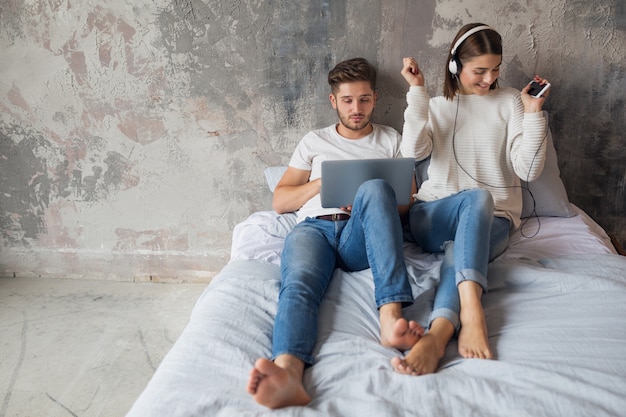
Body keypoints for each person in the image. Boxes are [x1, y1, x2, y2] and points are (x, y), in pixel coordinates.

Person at [246, 57, 423, 409]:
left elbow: (409, 201)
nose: (356, 109)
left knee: (374, 188)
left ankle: (391, 320)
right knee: (299, 284)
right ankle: (288, 372)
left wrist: (371, 202)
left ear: (374, 98)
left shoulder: (391, 140)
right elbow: (281, 201)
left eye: (364, 99)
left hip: (360, 235)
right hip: (316, 229)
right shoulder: (314, 142)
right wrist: (321, 184)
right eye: (347, 100)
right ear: (334, 101)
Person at [392, 23, 550, 375]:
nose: (489, 79)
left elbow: (528, 170)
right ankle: (472, 310)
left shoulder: (511, 101)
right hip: (433, 214)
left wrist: (534, 113)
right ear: (455, 65)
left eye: (496, 69)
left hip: (492, 219)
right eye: (480, 71)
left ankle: (438, 334)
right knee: (477, 198)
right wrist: (417, 92)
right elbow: (412, 151)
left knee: (460, 244)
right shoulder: (435, 105)